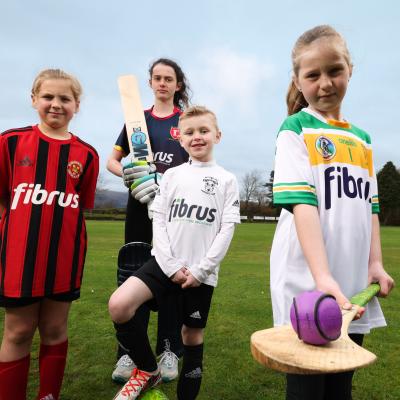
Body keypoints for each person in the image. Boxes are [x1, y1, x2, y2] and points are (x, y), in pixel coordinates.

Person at [270, 25, 395, 400]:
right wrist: (322, 277)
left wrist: (375, 263)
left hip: (351, 285)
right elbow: (303, 204)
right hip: (307, 282)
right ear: (297, 80)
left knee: (341, 385)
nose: (325, 83)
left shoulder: (362, 139)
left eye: (334, 70)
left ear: (350, 69)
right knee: (308, 388)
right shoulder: (295, 129)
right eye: (312, 75)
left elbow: (369, 206)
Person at [108, 106, 241, 400]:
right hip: (164, 264)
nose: (197, 137)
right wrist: (169, 265)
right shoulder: (170, 176)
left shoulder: (227, 180)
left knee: (190, 336)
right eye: (189, 132)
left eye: (204, 131)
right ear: (180, 140)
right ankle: (147, 370)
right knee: (119, 305)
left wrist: (200, 270)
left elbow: (226, 230)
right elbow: (159, 221)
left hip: (199, 273)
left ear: (217, 136)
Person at [0, 69, 99, 400]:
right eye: (48, 97)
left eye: (65, 99)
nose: (56, 104)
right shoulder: (10, 143)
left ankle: (48, 396)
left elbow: (78, 206)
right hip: (19, 258)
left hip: (65, 257)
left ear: (77, 105)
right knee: (18, 331)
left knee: (55, 329)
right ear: (33, 100)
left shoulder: (87, 154)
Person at [106, 58, 190, 383]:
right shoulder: (136, 120)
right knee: (134, 273)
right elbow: (112, 161)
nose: (163, 83)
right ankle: (129, 352)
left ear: (177, 85)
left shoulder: (185, 121)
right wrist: (129, 173)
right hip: (139, 208)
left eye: (169, 78)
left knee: (171, 276)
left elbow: (196, 162)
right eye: (157, 78)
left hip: (174, 213)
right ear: (151, 82)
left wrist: (167, 182)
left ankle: (169, 349)